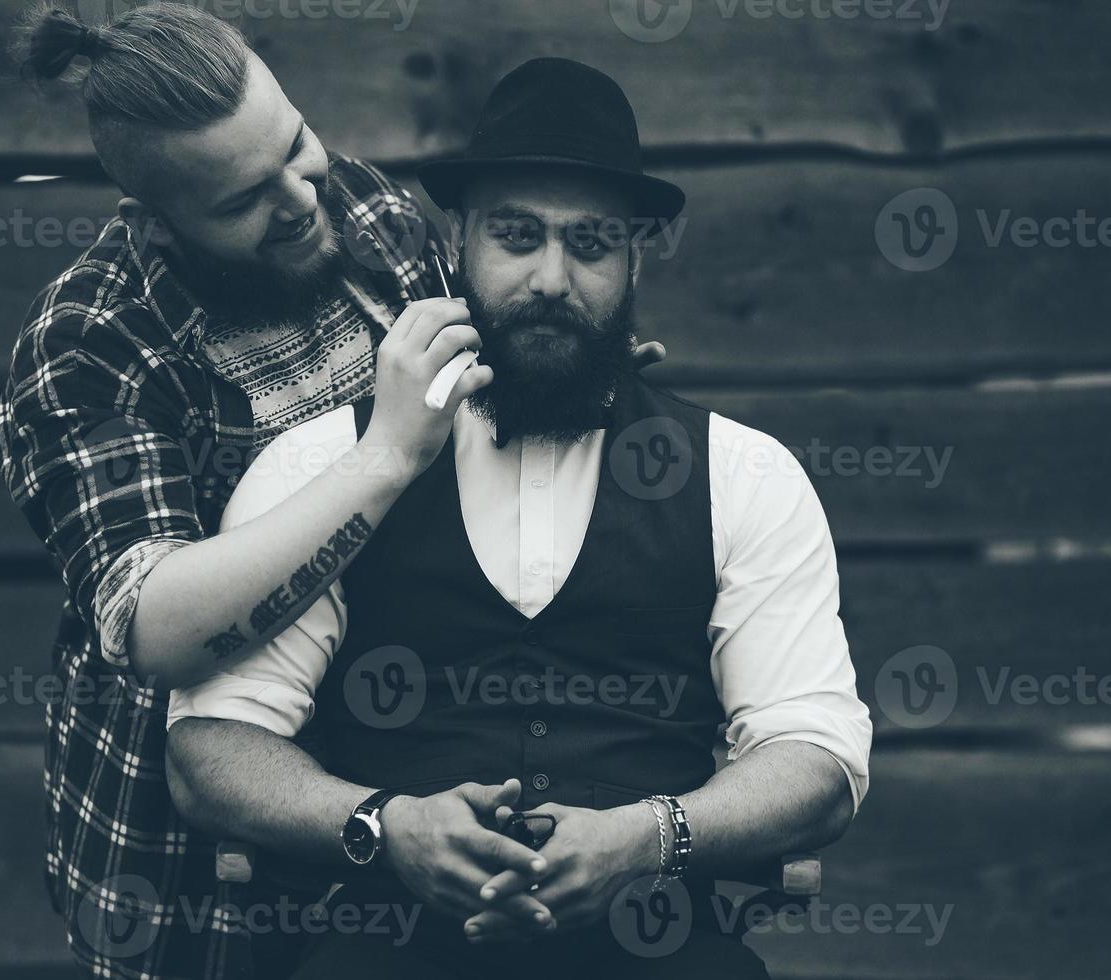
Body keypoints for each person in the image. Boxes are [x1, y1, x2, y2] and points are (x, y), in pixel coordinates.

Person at [166, 58, 873, 979]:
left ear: (635, 257)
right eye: (517, 236)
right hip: (389, 947)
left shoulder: (743, 475)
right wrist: (385, 825)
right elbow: (210, 749)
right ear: (459, 241)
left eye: (589, 244)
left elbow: (816, 757)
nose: (551, 278)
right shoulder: (327, 471)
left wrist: (651, 836)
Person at [0, 5, 661, 977]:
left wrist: (562, 367)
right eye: (241, 202)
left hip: (398, 758)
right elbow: (158, 622)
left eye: (297, 146)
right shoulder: (91, 341)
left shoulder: (370, 213)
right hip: (199, 815)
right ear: (152, 218)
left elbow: (475, 381)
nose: (303, 200)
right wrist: (382, 457)